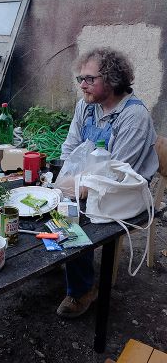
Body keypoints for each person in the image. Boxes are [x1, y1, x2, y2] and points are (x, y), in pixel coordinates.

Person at [57, 47, 158, 318]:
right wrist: (62, 183)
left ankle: (82, 290)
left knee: (72, 218)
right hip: (86, 182)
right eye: (80, 79)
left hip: (124, 193)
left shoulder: (134, 117)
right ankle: (62, 260)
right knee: (45, 202)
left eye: (89, 79)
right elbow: (70, 149)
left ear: (112, 80)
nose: (82, 85)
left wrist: (71, 190)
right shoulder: (86, 106)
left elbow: (115, 177)